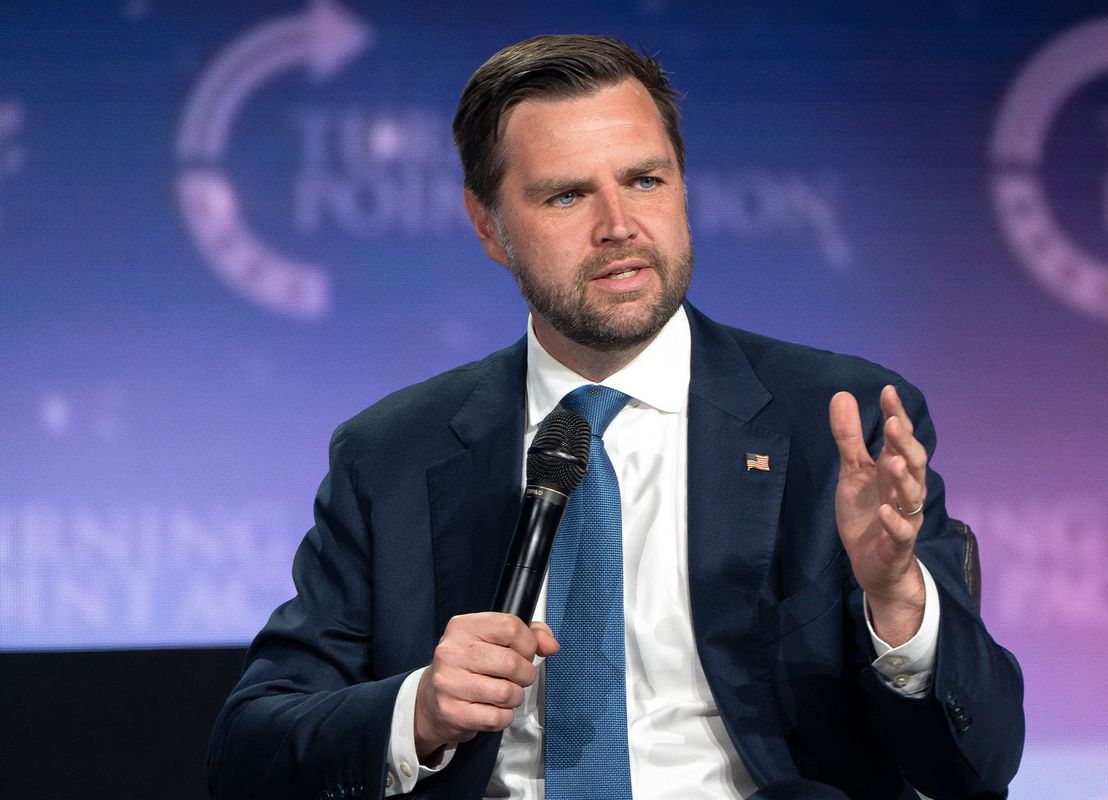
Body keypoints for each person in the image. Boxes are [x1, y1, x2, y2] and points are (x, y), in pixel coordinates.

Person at [208, 34, 1023, 800]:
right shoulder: (390, 454)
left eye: (645, 180)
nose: (619, 227)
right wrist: (417, 711)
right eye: (567, 195)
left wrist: (897, 606)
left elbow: (975, 764)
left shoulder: (838, 424)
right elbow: (248, 752)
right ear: (488, 225)